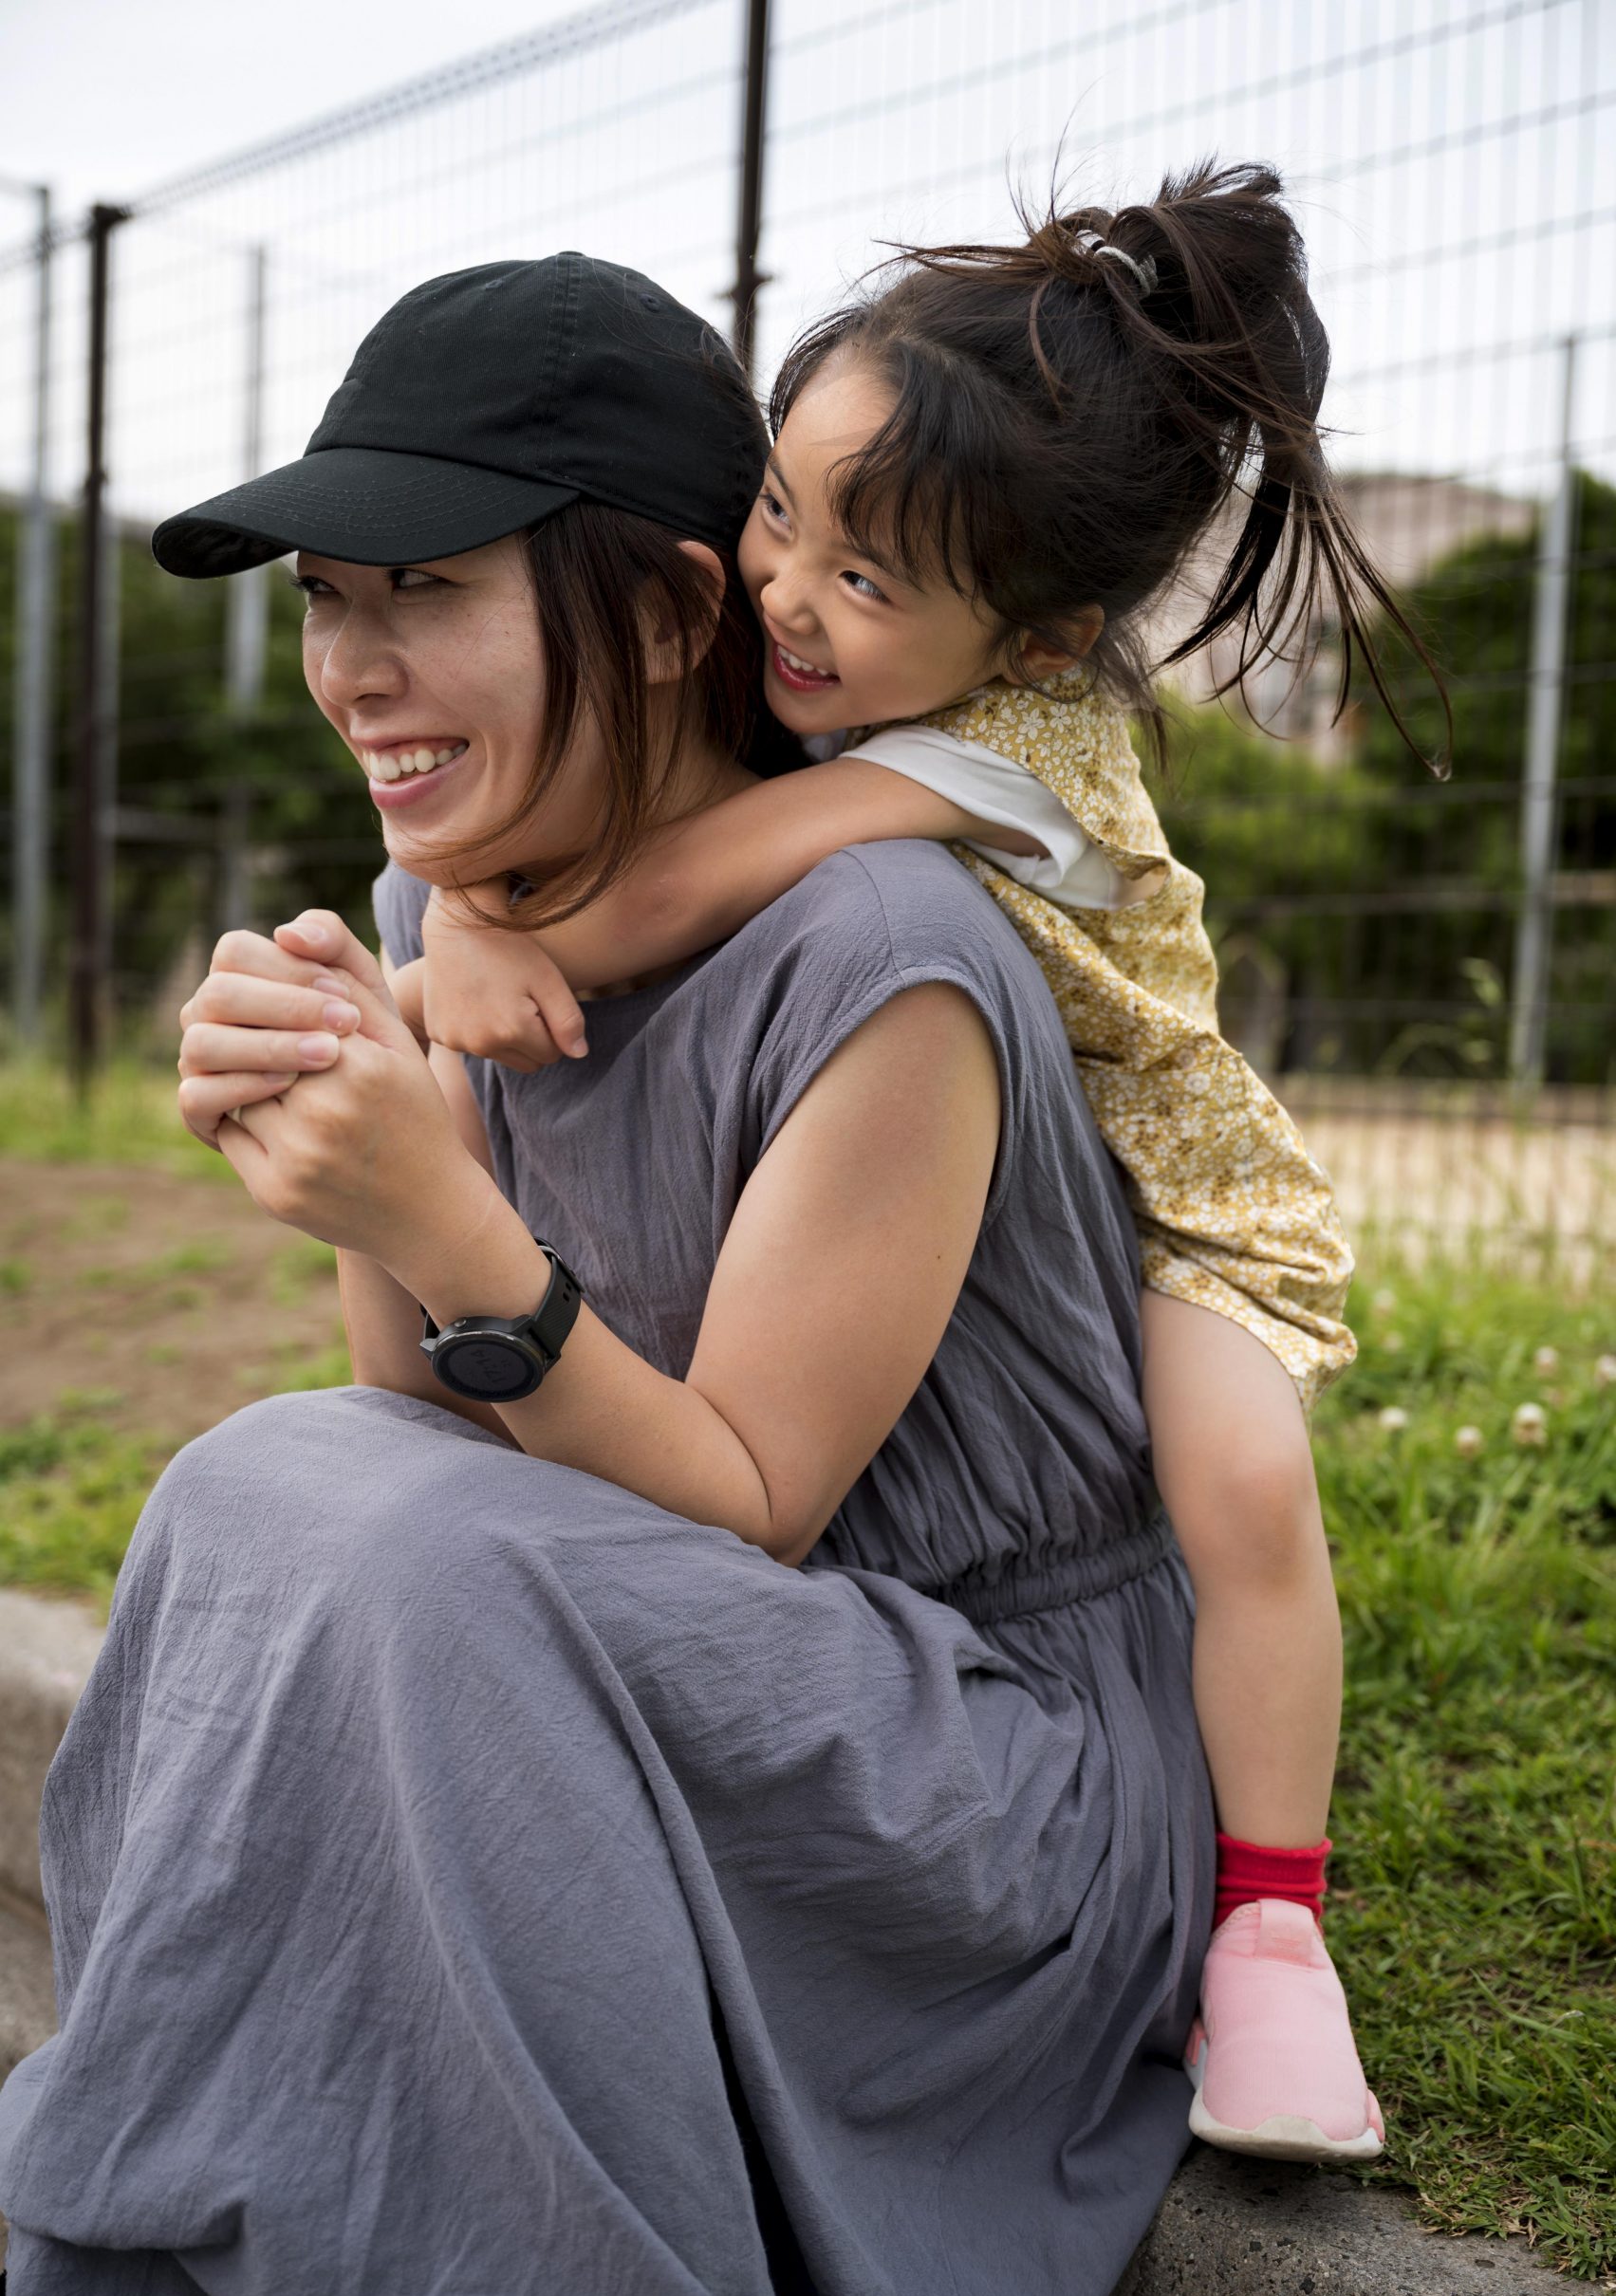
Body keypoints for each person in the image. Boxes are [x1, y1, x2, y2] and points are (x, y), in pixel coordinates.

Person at [0, 255, 1213, 2296]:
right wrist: (361, 1122)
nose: (353, 667)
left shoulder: (887, 949)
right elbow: (417, 1423)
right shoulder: (438, 906)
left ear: (665, 612)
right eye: (325, 600)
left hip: (979, 1768)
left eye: (424, 589)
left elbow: (751, 1502)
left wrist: (441, 1210)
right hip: (661, 1665)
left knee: (373, 1541)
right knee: (257, 1487)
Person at [390, 166, 1442, 2162]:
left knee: (1239, 1479)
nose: (785, 591)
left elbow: (687, 874)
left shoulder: (1000, 752)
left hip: (1182, 1215)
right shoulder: (848, 671)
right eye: (781, 508)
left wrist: (472, 935)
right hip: (1005, 1196)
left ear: (1026, 629)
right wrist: (459, 928)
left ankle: (1276, 1934)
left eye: (865, 577)